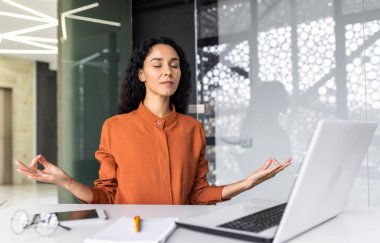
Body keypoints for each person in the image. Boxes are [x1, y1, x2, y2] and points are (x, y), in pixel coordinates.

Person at [15, 37, 291, 205]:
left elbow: (197, 195)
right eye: (157, 65)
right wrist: (66, 182)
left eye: (174, 65)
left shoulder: (192, 129)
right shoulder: (114, 127)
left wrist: (246, 183)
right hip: (130, 236)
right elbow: (108, 197)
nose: (167, 71)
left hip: (180, 236)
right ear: (141, 74)